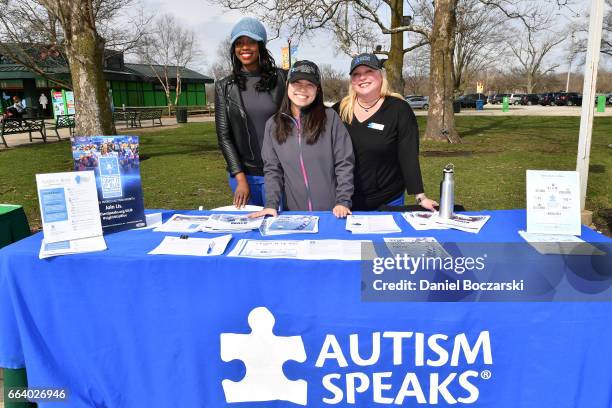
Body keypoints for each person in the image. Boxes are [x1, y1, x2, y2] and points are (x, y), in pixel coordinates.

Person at [249, 60, 354, 218]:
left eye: (309, 84)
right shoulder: (273, 124)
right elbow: (272, 170)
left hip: (332, 213)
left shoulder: (331, 118)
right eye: (297, 82)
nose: (302, 89)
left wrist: (343, 201)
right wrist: (271, 204)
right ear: (287, 85)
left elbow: (344, 163)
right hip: (295, 215)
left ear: (317, 89)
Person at [334, 53, 438, 211]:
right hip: (345, 201)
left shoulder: (398, 109)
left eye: (369, 71)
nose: (362, 77)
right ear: (352, 80)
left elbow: (408, 155)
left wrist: (420, 197)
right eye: (356, 74)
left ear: (381, 75)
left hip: (388, 199)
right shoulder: (338, 110)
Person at [215, 17, 287, 208]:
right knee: (251, 232)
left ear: (260, 45)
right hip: (244, 176)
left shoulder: (281, 79)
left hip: (280, 173)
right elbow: (224, 136)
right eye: (239, 43)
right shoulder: (224, 86)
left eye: (250, 42)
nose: (244, 47)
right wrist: (240, 179)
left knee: (279, 231)